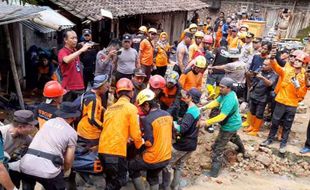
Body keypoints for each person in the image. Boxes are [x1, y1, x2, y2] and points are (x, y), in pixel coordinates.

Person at [20, 102, 80, 190]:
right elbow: (68, 161)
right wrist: (64, 172)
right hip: (49, 172)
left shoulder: (48, 122)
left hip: (26, 165)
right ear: (73, 117)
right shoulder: (71, 132)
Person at [98, 78, 144, 190]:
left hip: (103, 150)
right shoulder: (131, 108)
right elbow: (135, 133)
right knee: (119, 180)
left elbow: (109, 127)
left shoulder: (110, 109)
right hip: (116, 151)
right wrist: (140, 146)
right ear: (131, 92)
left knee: (110, 179)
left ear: (117, 94)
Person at [260, 50, 307, 153]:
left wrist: (298, 87)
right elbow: (277, 68)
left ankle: (283, 143)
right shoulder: (287, 71)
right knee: (275, 121)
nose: (295, 61)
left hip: (292, 104)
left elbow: (301, 95)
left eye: (299, 61)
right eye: (296, 60)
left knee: (287, 124)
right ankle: (269, 139)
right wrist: (272, 59)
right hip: (281, 101)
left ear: (303, 64)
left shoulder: (304, 78)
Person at [200, 77, 247, 178]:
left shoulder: (230, 99)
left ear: (229, 88)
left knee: (218, 148)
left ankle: (214, 173)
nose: (220, 88)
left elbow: (222, 116)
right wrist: (204, 108)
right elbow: (216, 102)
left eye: (222, 87)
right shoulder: (225, 94)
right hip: (232, 123)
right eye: (219, 86)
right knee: (233, 137)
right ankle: (242, 151)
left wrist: (206, 122)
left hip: (230, 125)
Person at [129, 89, 173, 190]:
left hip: (154, 158)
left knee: (132, 166)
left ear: (147, 104)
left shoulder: (148, 119)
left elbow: (149, 143)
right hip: (166, 156)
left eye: (142, 106)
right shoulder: (167, 115)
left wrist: (139, 140)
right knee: (153, 176)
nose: (142, 110)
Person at [169, 88, 201, 190]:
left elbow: (182, 129)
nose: (184, 96)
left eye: (186, 95)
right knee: (179, 166)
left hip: (183, 144)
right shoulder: (196, 110)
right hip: (192, 144)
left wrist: (173, 124)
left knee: (166, 164)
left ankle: (163, 186)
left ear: (190, 97)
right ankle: (175, 186)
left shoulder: (190, 112)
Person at [0, 110, 37, 189]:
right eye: (31, 125)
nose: (33, 128)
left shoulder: (24, 136)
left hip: (4, 163)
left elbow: (36, 146)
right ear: (20, 127)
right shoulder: (2, 134)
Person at [245, 58, 277, 136]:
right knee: (252, 111)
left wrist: (262, 77)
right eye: (263, 64)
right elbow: (253, 79)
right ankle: (251, 126)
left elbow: (270, 84)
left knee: (259, 113)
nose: (263, 66)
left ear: (271, 66)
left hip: (263, 96)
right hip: (254, 93)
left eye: (265, 65)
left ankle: (255, 129)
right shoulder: (260, 70)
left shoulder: (274, 74)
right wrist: (250, 75)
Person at [58, 30, 92, 101]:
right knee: (68, 110)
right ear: (65, 40)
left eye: (76, 38)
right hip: (69, 88)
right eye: (72, 38)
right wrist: (81, 50)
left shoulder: (75, 51)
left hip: (80, 86)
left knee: (79, 110)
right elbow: (66, 60)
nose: (75, 40)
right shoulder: (62, 51)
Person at [77, 74, 110, 146]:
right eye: (106, 86)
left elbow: (96, 108)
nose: (107, 88)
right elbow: (92, 119)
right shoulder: (93, 99)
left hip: (86, 130)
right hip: (89, 133)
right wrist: (104, 127)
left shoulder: (93, 95)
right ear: (100, 86)